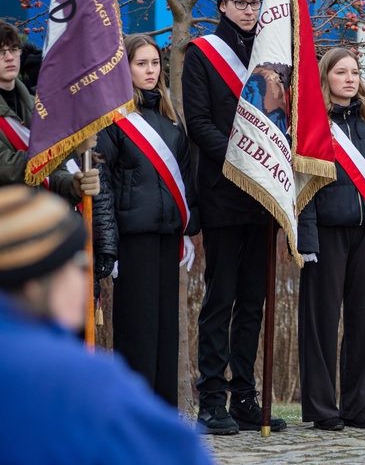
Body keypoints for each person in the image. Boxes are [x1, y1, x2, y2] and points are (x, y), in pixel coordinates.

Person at [0, 185, 214, 465]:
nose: (85, 274)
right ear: (34, 281)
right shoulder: (79, 380)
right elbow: (184, 455)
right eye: (78, 261)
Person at [182, 0, 285, 434]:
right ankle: (212, 399)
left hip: (265, 196)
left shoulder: (272, 55)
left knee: (254, 299)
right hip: (225, 191)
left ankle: (245, 394)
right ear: (222, 5)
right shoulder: (202, 54)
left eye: (253, 2)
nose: (247, 9)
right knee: (220, 298)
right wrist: (243, 159)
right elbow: (199, 123)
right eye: (239, 2)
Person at [298, 48, 365, 431]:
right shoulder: (312, 124)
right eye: (340, 72)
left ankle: (360, 404)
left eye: (354, 72)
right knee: (321, 323)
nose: (349, 78)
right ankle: (321, 408)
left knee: (364, 319)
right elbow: (303, 187)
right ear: (325, 77)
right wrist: (306, 238)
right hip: (326, 234)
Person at [92, 34, 200, 406]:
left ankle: (164, 414)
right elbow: (101, 183)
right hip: (132, 239)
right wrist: (108, 242)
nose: (150, 71)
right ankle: (133, 413)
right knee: (138, 333)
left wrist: (187, 231)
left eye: (155, 63)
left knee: (165, 330)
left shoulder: (171, 123)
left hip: (167, 237)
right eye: (141, 64)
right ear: (125, 68)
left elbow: (185, 181)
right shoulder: (113, 120)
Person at [0, 20, 99, 201]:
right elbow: (7, 168)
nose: (9, 57)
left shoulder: (36, 105)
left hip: (39, 220)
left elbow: (52, 174)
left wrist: (73, 186)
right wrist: (68, 147)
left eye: (14, 50)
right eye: (1, 52)